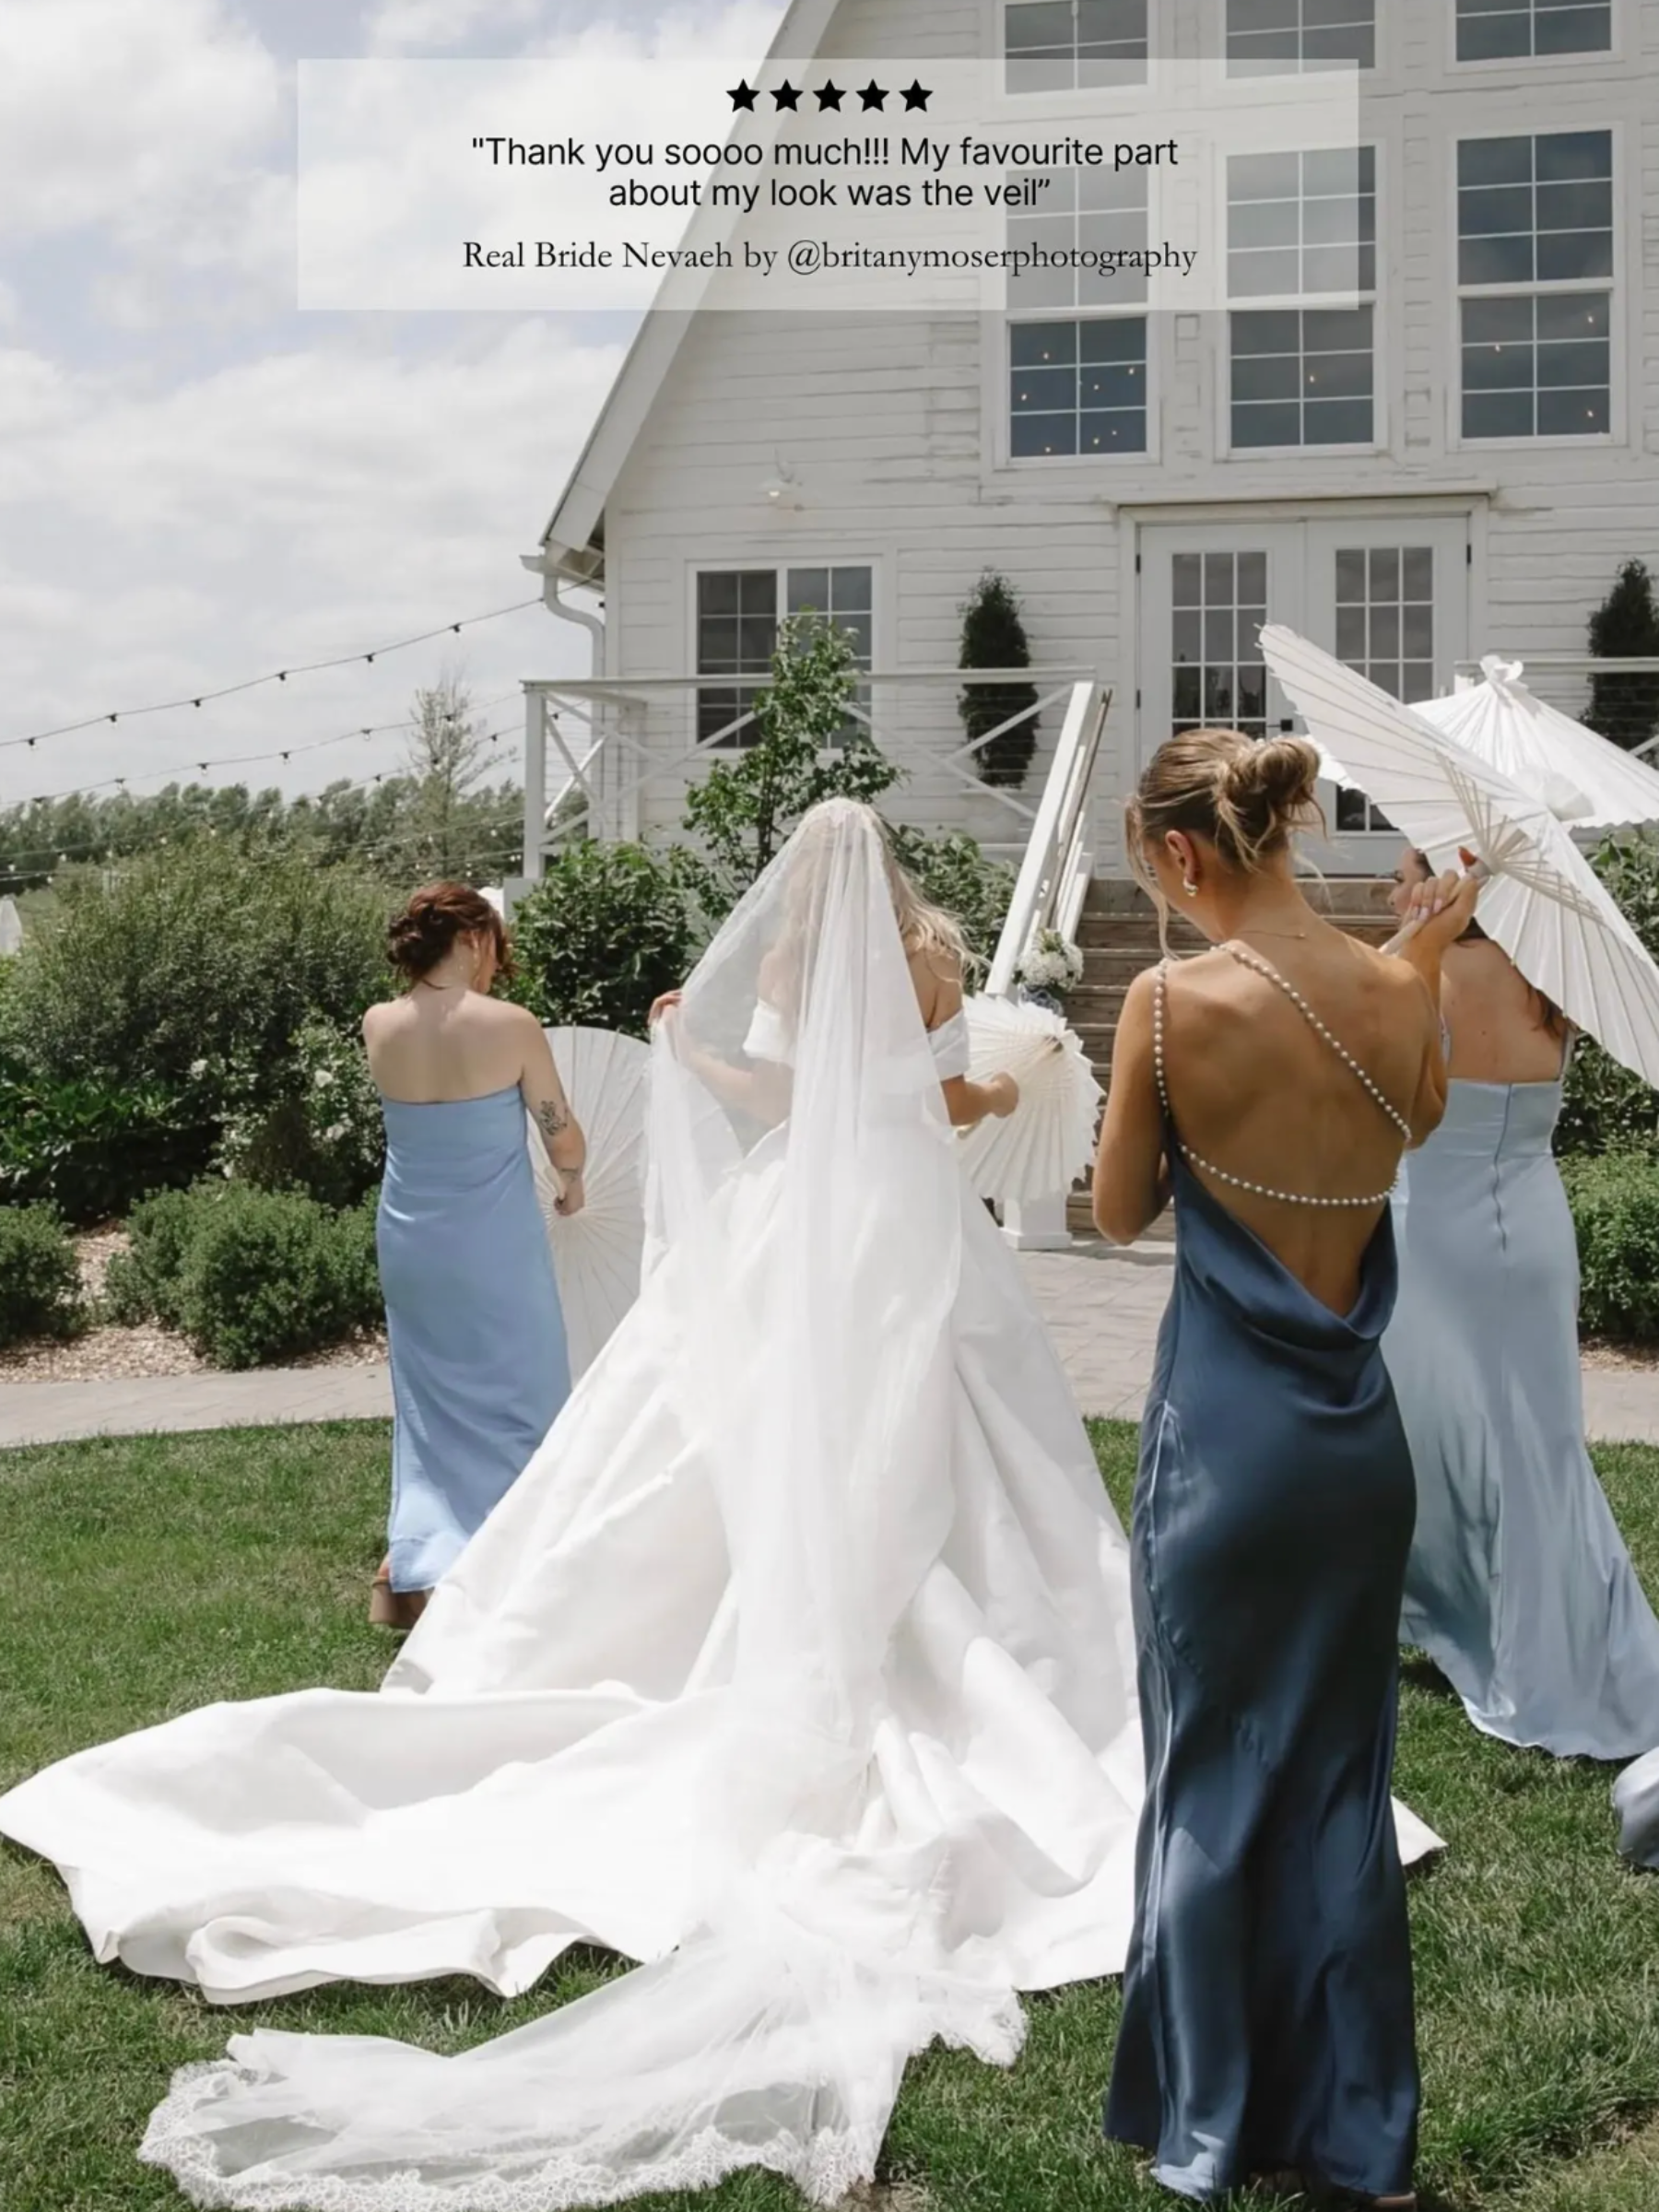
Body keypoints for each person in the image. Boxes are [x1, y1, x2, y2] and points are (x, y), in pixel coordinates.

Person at [0, 800, 1150, 2210]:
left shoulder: (788, 965)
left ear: (809, 870)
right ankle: (954, 1618)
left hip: (804, 1211)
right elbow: (935, 1096)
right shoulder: (935, 964)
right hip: (911, 1219)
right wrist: (986, 1098)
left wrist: (693, 1050)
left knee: (729, 1428)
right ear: (896, 865)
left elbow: (787, 1100)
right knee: (944, 1425)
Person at [1091, 732, 1477, 2209]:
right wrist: (1416, 956)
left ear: (1185, 857)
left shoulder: (1169, 999)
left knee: (1206, 1776)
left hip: (1227, 1448)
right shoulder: (1393, 990)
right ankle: (1359, 2142)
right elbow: (1421, 1114)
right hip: (1356, 1453)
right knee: (1336, 1784)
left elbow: (1121, 1213)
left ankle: (1213, 2128)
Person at [1383, 847, 1659, 1759]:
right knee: (1538, 1442)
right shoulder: (1553, 976)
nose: (1395, 883)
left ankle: (1504, 1640)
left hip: (1437, 1233)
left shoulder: (1423, 971)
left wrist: (1413, 937)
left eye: (1408, 867)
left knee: (1425, 1425)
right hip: (1534, 1226)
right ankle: (1528, 1625)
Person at [363, 881, 584, 1627]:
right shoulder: (512, 1025)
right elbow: (561, 1133)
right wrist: (575, 1177)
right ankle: (519, 1564)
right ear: (475, 937)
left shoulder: (378, 1023)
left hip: (411, 1240)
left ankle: (420, 1567)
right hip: (491, 1242)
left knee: (431, 1409)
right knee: (525, 1393)